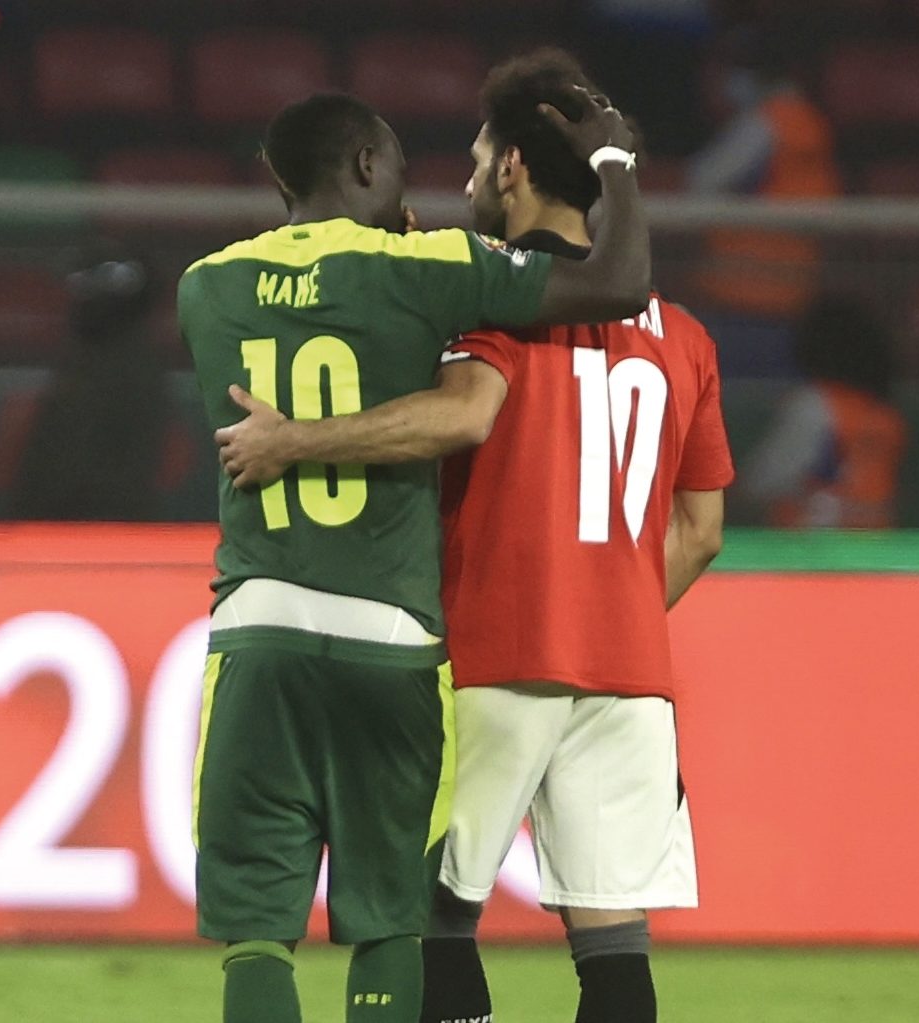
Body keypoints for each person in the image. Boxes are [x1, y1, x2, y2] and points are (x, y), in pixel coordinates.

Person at [210, 52, 734, 1023]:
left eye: (474, 161)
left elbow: (460, 418)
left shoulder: (485, 306)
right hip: (627, 674)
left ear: (511, 171)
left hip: (491, 659)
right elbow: (699, 531)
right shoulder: (687, 337)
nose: (457, 184)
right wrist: (604, 607)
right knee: (612, 944)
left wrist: (293, 441)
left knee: (429, 919)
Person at [0, 242, 189, 521]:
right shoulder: (75, 370)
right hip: (54, 529)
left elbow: (172, 462)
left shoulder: (140, 374)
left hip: (108, 533)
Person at [686, 28, 841, 318]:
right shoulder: (811, 122)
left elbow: (702, 179)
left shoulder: (765, 124)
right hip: (794, 289)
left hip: (742, 289)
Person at [737, 295, 905, 528]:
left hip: (812, 548)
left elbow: (762, 482)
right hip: (875, 550)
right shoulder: (886, 415)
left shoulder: (814, 405)